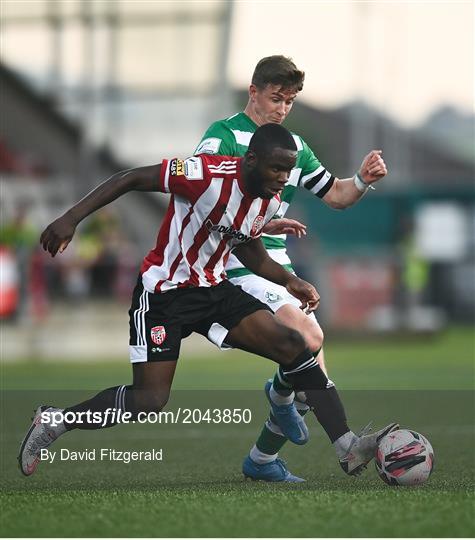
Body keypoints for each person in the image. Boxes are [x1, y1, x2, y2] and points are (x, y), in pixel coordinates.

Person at [19, 124, 396, 478]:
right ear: (251, 160)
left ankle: (347, 446)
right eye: (277, 169)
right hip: (164, 294)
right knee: (149, 399)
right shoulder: (203, 173)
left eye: (288, 170)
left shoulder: (269, 199)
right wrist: (70, 218)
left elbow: (251, 251)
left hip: (214, 291)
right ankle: (55, 421)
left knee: (293, 344)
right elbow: (130, 178)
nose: (284, 178)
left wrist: (290, 280)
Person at [194, 55, 389, 482]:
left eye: (290, 101)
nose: (282, 108)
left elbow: (335, 195)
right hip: (233, 261)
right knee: (308, 341)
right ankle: (330, 435)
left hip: (275, 265)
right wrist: (258, 223)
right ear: (253, 91)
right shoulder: (223, 137)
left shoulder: (295, 147)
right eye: (275, 98)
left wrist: (361, 180)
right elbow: (202, 197)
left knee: (311, 370)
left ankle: (261, 460)